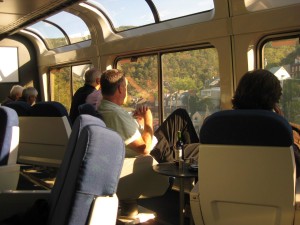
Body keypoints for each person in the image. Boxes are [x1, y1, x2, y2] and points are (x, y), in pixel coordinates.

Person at [97, 69, 200, 163]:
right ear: (120, 89)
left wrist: (139, 123)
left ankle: (187, 162)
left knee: (180, 115)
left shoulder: (105, 107)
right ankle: (188, 162)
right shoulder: (115, 115)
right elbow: (144, 149)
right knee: (201, 149)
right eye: (126, 87)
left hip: (154, 141)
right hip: (157, 152)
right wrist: (148, 118)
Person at [231, 69, 300, 177]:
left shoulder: (215, 124)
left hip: (227, 190)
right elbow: (296, 167)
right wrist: (282, 123)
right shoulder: (278, 128)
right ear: (274, 100)